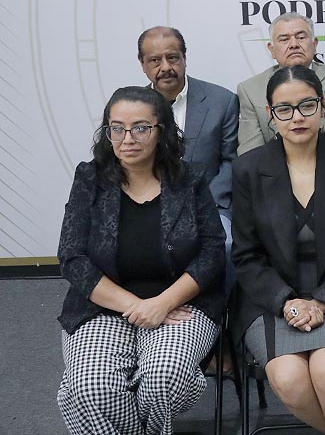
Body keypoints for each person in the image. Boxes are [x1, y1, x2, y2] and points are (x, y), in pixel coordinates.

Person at [57, 86, 225, 435]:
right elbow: (73, 258)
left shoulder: (190, 179)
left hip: (181, 304)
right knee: (91, 386)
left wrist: (163, 303)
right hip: (103, 306)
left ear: (161, 131)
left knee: (163, 379)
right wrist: (138, 306)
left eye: (140, 128)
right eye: (116, 128)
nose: (127, 138)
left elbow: (212, 251)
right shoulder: (90, 178)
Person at [231, 66, 325, 434]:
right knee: (290, 379)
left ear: (323, 106)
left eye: (306, 105)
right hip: (272, 295)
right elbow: (246, 256)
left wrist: (322, 302)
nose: (296, 117)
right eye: (284, 109)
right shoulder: (249, 169)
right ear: (270, 115)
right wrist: (286, 301)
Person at [138, 26, 238, 294]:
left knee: (226, 245)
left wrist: (202, 201)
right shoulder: (131, 107)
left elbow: (232, 161)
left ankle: (224, 318)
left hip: (209, 205)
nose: (165, 67)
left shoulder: (222, 101)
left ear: (184, 58)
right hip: (146, 205)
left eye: (172, 58)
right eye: (154, 61)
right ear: (143, 65)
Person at [236, 12, 325, 155]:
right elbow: (250, 156)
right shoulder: (250, 90)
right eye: (284, 39)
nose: (294, 44)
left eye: (301, 37)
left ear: (314, 44)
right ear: (271, 49)